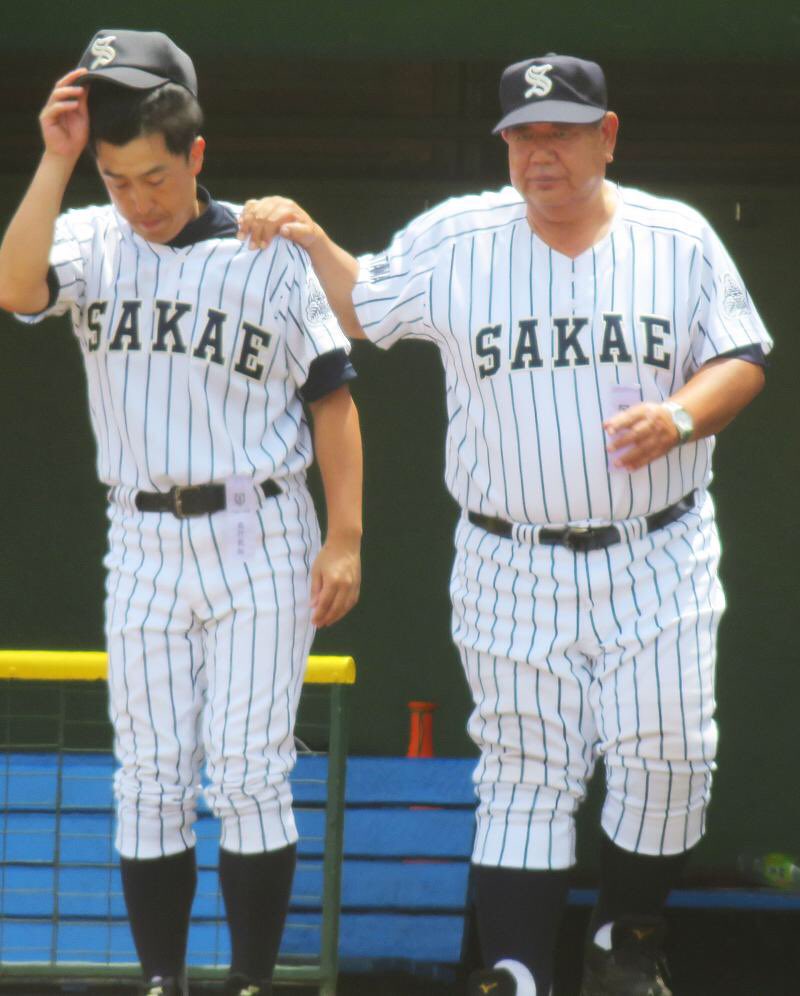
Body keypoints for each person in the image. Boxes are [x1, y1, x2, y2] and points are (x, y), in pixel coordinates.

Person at [237, 53, 771, 996]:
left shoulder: (677, 236)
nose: (538, 154)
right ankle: (517, 971)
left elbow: (743, 355)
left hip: (659, 545)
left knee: (673, 754)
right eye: (522, 136)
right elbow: (363, 307)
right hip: (509, 552)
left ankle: (624, 940)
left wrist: (682, 415)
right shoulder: (459, 236)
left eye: (559, 132)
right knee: (527, 771)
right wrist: (312, 239)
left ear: (605, 138)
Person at [0, 29, 362, 996]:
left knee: (248, 773)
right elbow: (14, 285)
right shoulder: (88, 235)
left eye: (154, 178)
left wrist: (346, 536)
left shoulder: (264, 246)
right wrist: (59, 159)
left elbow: (333, 395)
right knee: (150, 776)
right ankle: (164, 980)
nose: (139, 199)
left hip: (260, 526)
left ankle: (247, 981)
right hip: (143, 531)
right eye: (119, 179)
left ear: (196, 156)